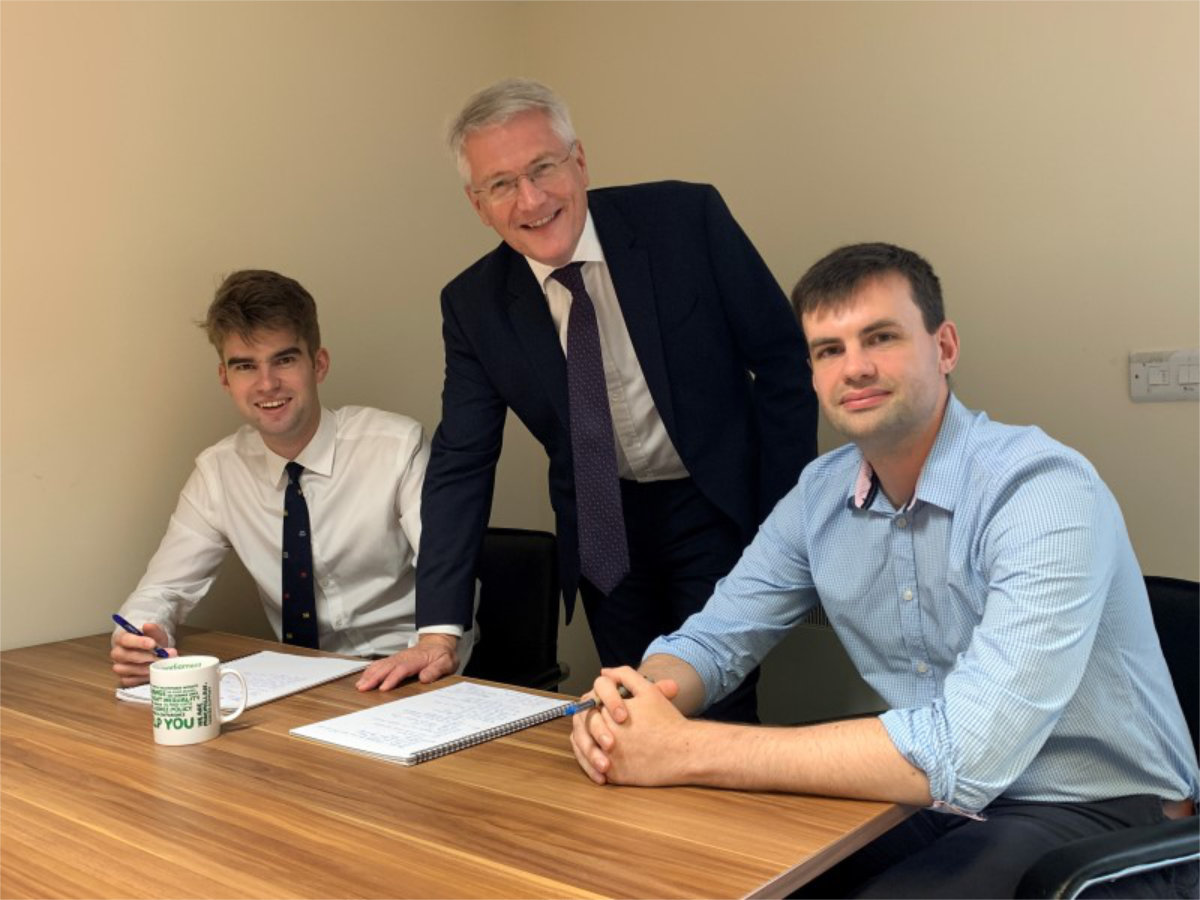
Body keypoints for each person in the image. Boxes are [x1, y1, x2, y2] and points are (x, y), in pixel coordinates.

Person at [569, 243, 1199, 898]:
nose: (856, 368)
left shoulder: (1042, 488)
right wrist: (632, 704)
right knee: (711, 868)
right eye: (828, 350)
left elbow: (969, 747)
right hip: (940, 800)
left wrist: (685, 751)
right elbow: (715, 640)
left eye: (881, 337)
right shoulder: (817, 496)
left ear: (945, 347)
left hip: (1105, 813)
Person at [367, 78, 817, 719]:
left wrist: (786, 520)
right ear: (478, 204)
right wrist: (439, 630)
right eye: (501, 184)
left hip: (711, 505)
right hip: (606, 531)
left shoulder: (685, 221)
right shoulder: (473, 306)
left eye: (543, 168)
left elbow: (783, 363)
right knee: (626, 717)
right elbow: (462, 461)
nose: (531, 199)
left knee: (715, 713)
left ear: (578, 161)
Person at [111, 270, 471, 688]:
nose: (267, 384)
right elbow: (164, 589)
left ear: (318, 364)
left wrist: (434, 643)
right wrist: (138, 635)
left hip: (414, 668)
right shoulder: (218, 473)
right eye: (246, 366)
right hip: (302, 683)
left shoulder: (395, 446)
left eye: (284, 359)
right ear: (225, 379)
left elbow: (442, 561)